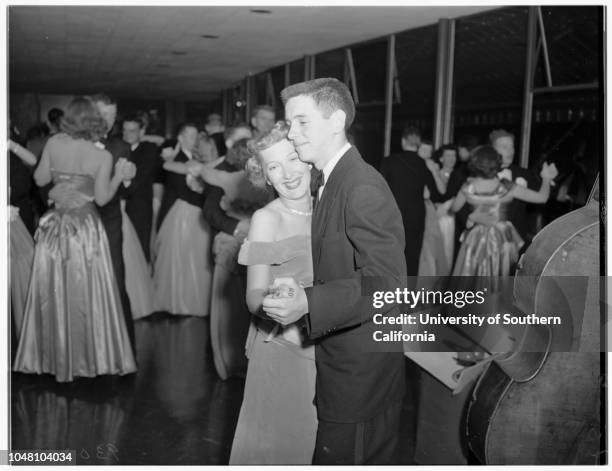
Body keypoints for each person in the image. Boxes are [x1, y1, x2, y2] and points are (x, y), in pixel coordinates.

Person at [263, 78, 407, 464]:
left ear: (336, 120)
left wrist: (309, 302)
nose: (291, 135)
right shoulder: (331, 179)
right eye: (290, 124)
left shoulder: (361, 186)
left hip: (361, 374)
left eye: (302, 122)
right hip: (345, 364)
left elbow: (387, 283)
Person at [13, 96, 137, 382]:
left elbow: (42, 181)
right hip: (85, 228)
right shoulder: (102, 157)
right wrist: (118, 176)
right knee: (88, 293)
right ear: (94, 121)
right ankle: (89, 359)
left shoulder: (54, 143)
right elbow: (104, 198)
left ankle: (53, 358)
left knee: (52, 292)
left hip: (54, 225)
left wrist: (62, 186)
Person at [229, 122, 316, 463]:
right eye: (274, 167)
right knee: (283, 446)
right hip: (285, 346)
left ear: (309, 159)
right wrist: (279, 306)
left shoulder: (328, 207)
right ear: (265, 177)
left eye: (292, 160)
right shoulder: (267, 218)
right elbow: (254, 296)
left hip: (329, 345)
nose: (287, 173)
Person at [451, 145, 558, 278]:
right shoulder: (507, 185)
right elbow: (542, 198)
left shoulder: (468, 186)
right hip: (502, 237)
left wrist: (472, 215)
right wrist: (546, 178)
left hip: (476, 237)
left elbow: (455, 208)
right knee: (500, 275)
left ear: (474, 164)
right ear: (497, 163)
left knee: (472, 274)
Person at [153, 122, 212, 316]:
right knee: (178, 258)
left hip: (194, 212)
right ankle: (176, 303)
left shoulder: (195, 158)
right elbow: (179, 187)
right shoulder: (173, 158)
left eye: (196, 135)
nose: (194, 139)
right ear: (180, 137)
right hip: (180, 213)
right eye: (190, 135)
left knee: (194, 259)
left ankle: (190, 301)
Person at [92, 93, 136, 351]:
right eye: (102, 114)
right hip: (76, 224)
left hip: (109, 221)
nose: (107, 121)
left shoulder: (121, 146)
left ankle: (122, 347)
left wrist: (128, 179)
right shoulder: (73, 144)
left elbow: (128, 191)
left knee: (116, 281)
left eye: (112, 115)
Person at [380, 127, 444, 276]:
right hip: (416, 218)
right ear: (419, 144)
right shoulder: (424, 164)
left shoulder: (389, 161)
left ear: (403, 141)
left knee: (389, 259)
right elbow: (438, 195)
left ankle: (389, 295)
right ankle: (409, 297)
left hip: (391, 217)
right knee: (412, 261)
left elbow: (380, 190)